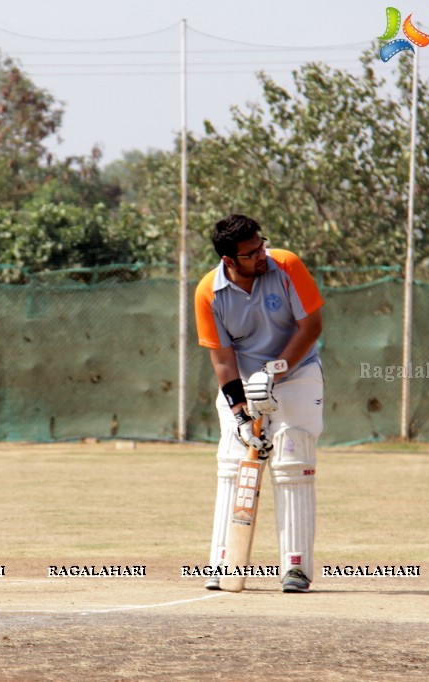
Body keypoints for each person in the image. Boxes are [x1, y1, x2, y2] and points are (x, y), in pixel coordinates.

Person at [193, 214, 325, 593]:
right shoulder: (208, 292)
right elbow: (221, 358)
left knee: (292, 460)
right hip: (244, 384)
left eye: (261, 244)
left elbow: (312, 326)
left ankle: (295, 568)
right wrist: (238, 413)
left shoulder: (286, 266)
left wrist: (274, 372)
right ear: (229, 261)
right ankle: (224, 562)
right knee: (235, 465)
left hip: (297, 373)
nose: (262, 254)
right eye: (251, 253)